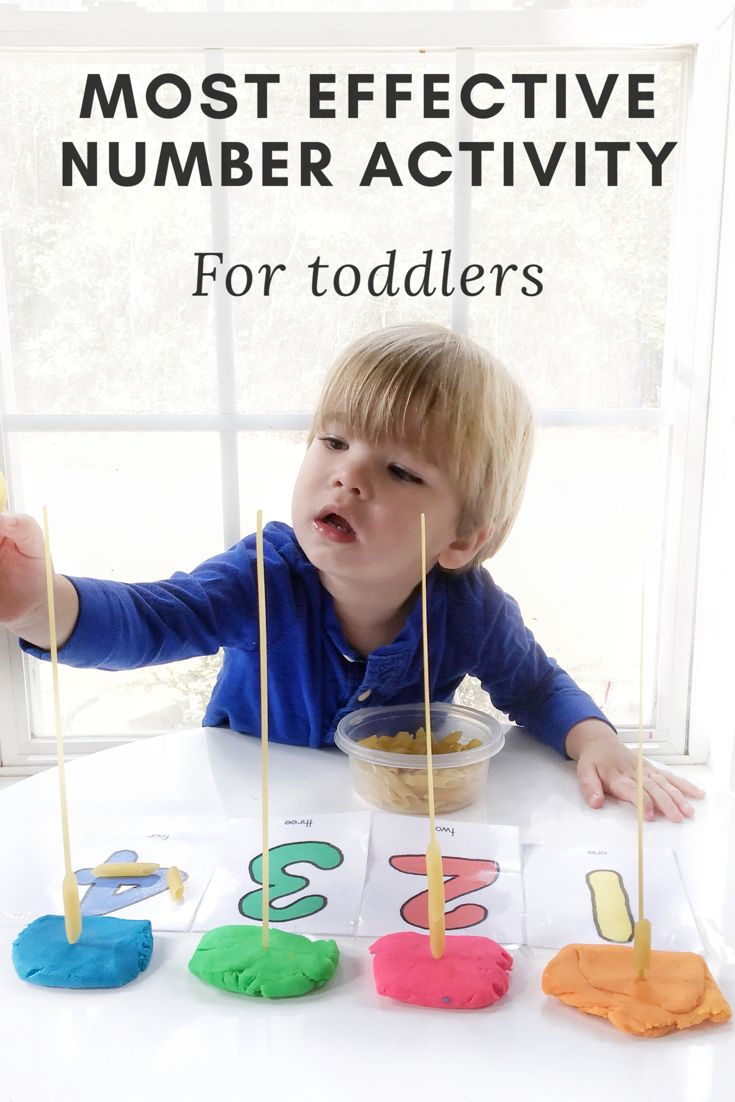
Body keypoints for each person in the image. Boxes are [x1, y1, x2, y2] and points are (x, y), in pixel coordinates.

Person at [0, 323, 702, 822]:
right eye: (333, 441)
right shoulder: (264, 574)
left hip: (397, 825)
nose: (348, 475)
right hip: (252, 819)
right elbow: (153, 620)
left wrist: (599, 742)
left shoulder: (469, 608)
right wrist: (41, 604)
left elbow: (538, 686)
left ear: (458, 540)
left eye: (399, 470)